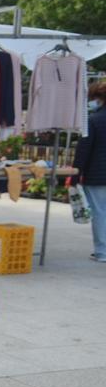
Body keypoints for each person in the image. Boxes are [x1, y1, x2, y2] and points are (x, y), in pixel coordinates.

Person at [73, 82, 106, 262]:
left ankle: (102, 251)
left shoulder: (92, 120)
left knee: (100, 212)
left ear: (98, 99)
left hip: (97, 174)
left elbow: (83, 149)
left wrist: (76, 173)